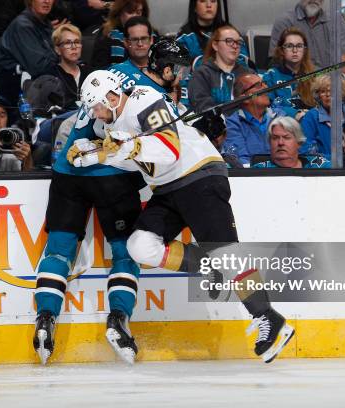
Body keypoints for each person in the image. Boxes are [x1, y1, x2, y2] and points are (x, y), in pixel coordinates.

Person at [69, 44, 295, 364]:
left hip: (198, 175)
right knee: (140, 245)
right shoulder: (112, 125)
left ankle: (269, 318)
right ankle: (208, 267)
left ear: (110, 97)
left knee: (224, 249)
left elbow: (168, 149)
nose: (94, 114)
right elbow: (136, 160)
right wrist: (93, 154)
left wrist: (124, 147)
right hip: (168, 187)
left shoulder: (143, 100)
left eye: (95, 107)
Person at [32, 94, 145, 365]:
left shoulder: (95, 88)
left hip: (67, 174)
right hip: (112, 176)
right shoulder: (138, 91)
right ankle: (118, 318)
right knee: (125, 253)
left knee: (59, 252)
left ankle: (45, 317)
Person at [0, 0, 66, 107]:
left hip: (39, 88)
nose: (47, 1)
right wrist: (64, 63)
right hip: (16, 93)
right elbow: (39, 66)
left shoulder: (44, 23)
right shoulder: (23, 25)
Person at [300, 74, 345, 161]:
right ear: (318, 95)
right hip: (330, 169)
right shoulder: (311, 117)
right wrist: (340, 158)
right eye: (323, 91)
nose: (328, 94)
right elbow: (305, 152)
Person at [188, 24, 252, 116]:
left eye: (238, 42)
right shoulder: (201, 74)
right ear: (215, 45)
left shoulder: (249, 74)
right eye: (229, 41)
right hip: (216, 126)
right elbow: (203, 108)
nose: (235, 46)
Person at [270, 0, 345, 72]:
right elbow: (279, 60)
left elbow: (344, 60)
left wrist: (339, 81)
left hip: (331, 81)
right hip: (298, 80)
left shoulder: (336, 21)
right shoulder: (284, 22)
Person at [224, 73, 286, 166]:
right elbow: (241, 161)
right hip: (253, 176)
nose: (266, 87)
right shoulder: (233, 123)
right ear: (245, 98)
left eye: (264, 83)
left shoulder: (280, 116)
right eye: (258, 85)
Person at [262, 27, 316, 119]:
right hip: (283, 124)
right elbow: (268, 107)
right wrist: (294, 114)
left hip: (310, 122)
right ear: (282, 50)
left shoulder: (313, 75)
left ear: (305, 50)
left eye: (299, 46)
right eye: (289, 46)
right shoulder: (271, 76)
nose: (295, 50)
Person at [91, 0, 149, 70]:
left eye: (138, 12)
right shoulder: (107, 33)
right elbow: (99, 67)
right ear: (119, 13)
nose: (135, 17)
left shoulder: (151, 34)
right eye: (130, 12)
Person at [253, 116, 331, 168]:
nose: (280, 143)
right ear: (269, 142)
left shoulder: (319, 166)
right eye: (275, 138)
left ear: (299, 143)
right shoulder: (257, 170)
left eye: (286, 138)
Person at [109, 16, 162, 92]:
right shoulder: (114, 73)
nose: (140, 44)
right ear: (126, 42)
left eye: (144, 39)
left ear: (151, 40)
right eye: (134, 40)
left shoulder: (165, 73)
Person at [53, 23, 93, 111]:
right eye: (67, 43)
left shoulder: (89, 72)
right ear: (57, 49)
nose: (74, 47)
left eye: (77, 42)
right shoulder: (52, 75)